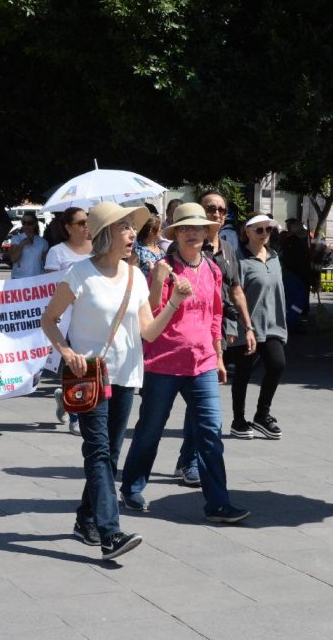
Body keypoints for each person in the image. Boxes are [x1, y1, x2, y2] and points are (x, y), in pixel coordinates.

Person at [41, 202, 192, 560]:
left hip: (126, 375)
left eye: (131, 228)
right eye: (124, 228)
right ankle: (111, 533)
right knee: (97, 451)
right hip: (89, 375)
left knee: (109, 454)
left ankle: (85, 518)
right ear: (106, 234)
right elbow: (50, 320)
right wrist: (66, 352)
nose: (131, 235)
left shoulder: (135, 276)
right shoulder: (79, 274)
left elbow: (148, 332)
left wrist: (173, 302)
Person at [120, 203, 250, 523]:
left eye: (199, 228)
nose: (193, 233)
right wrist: (158, 283)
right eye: (185, 228)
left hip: (202, 362)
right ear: (176, 234)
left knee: (210, 432)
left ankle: (218, 503)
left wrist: (218, 356)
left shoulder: (212, 268)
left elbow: (215, 316)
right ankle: (132, 488)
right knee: (150, 430)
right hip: (163, 363)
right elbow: (148, 317)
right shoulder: (162, 268)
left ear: (207, 233)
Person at [174, 190, 256, 484]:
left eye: (222, 210)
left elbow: (235, 289)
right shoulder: (186, 246)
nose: (217, 215)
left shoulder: (227, 248)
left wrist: (248, 326)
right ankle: (187, 461)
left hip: (218, 330)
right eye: (211, 208)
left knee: (202, 401)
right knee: (198, 403)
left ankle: (188, 460)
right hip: (189, 333)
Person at [230, 212, 288, 439]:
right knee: (243, 373)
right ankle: (238, 420)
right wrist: (244, 326)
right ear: (247, 231)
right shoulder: (238, 259)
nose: (265, 234)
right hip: (248, 326)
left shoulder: (274, 257)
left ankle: (262, 415)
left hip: (273, 325)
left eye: (268, 229)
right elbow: (235, 294)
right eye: (259, 229)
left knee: (277, 365)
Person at [45, 207, 93, 436]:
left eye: (89, 221)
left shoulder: (100, 250)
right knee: (76, 367)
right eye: (82, 222)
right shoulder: (57, 252)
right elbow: (49, 287)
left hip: (92, 317)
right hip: (66, 318)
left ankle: (66, 399)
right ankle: (76, 415)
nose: (87, 226)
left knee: (88, 368)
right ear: (68, 227)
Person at [10, 211, 48, 278]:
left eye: (29, 223)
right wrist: (22, 244)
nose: (26, 225)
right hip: (19, 278)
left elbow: (46, 263)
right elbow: (13, 259)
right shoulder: (16, 239)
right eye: (23, 223)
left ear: (35, 224)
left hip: (37, 278)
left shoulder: (43, 242)